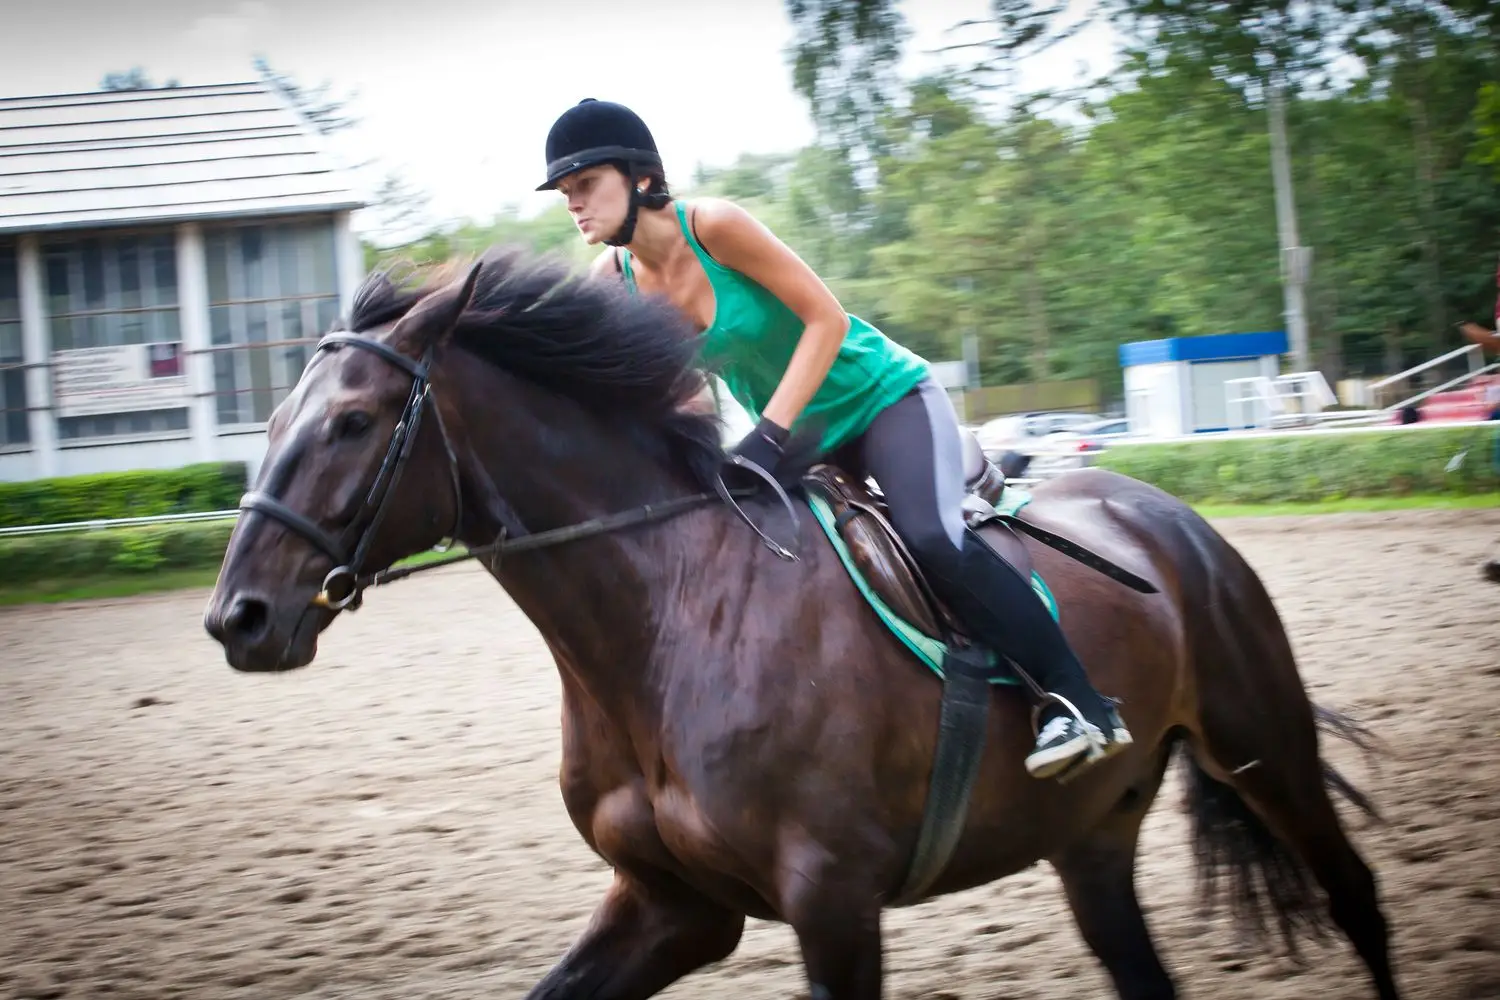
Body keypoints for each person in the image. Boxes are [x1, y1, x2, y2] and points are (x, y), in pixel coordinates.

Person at [536, 98, 1132, 780]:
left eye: (584, 184)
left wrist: (767, 433)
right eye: (563, 192)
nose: (572, 203)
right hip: (804, 435)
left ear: (641, 178)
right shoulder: (613, 285)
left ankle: (1078, 703)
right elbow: (668, 391)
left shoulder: (716, 225)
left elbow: (826, 321)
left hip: (885, 400)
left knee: (932, 537)